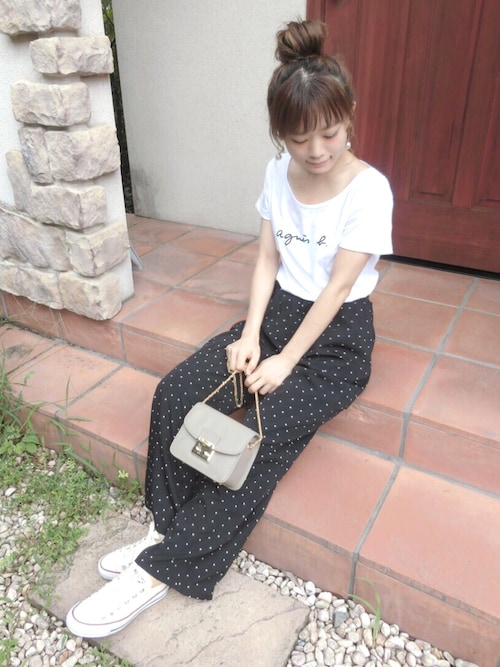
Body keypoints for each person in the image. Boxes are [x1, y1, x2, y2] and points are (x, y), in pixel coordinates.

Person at [66, 18, 393, 638]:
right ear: (280, 133)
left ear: (349, 115)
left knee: (257, 437)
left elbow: (336, 290)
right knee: (177, 392)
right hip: (275, 320)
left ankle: (163, 569)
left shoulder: (369, 191)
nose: (316, 151)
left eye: (329, 133)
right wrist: (249, 336)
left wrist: (286, 361)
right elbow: (268, 259)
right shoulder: (278, 172)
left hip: (335, 343)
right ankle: (163, 528)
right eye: (299, 138)